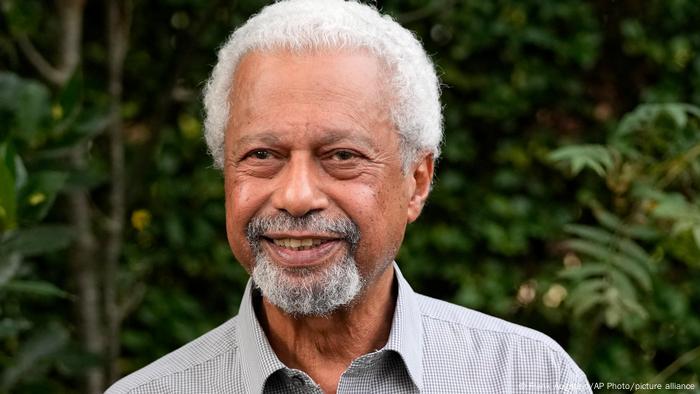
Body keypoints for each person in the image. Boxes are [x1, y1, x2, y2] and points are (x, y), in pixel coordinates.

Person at [107, 0, 592, 393]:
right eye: (262, 154)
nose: (296, 197)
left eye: (341, 156)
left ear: (417, 182)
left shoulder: (528, 378)